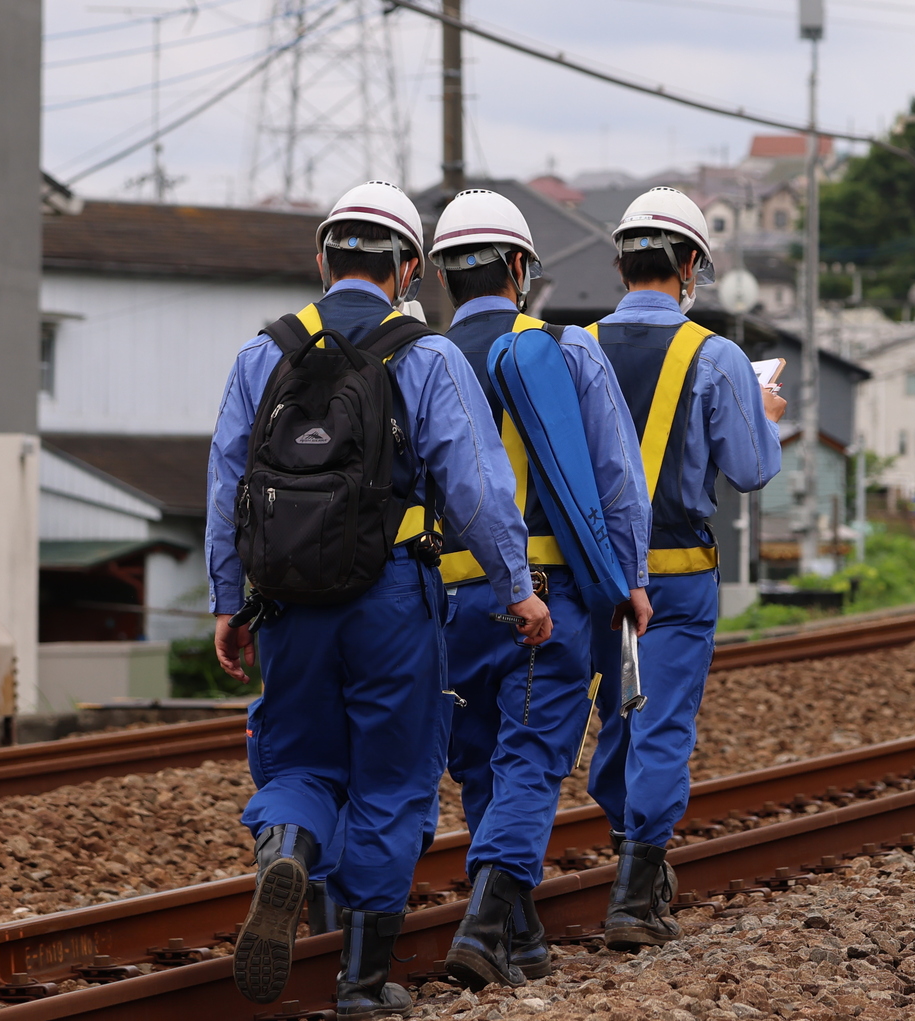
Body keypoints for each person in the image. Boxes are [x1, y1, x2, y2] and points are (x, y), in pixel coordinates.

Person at [208, 181, 549, 1019]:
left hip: (286, 601)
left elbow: (225, 483)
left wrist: (227, 599)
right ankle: (360, 980)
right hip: (393, 596)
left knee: (297, 760)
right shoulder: (424, 356)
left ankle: (286, 845)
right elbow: (477, 488)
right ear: (406, 269)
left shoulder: (264, 353)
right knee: (394, 783)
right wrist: (517, 587)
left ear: (323, 258)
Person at [428, 189, 651, 989]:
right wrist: (632, 581)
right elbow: (617, 476)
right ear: (520, 269)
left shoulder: (418, 359)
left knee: (482, 764)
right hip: (544, 596)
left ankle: (520, 941)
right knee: (530, 762)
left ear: (444, 277)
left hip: (444, 599)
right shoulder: (563, 347)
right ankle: (484, 925)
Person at [587, 186, 784, 948]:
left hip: (592, 573)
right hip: (674, 570)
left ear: (620, 260)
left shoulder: (575, 344)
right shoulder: (719, 356)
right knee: (660, 726)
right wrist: (765, 417)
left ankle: (626, 851)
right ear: (692, 264)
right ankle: (636, 893)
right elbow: (750, 470)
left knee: (612, 722)